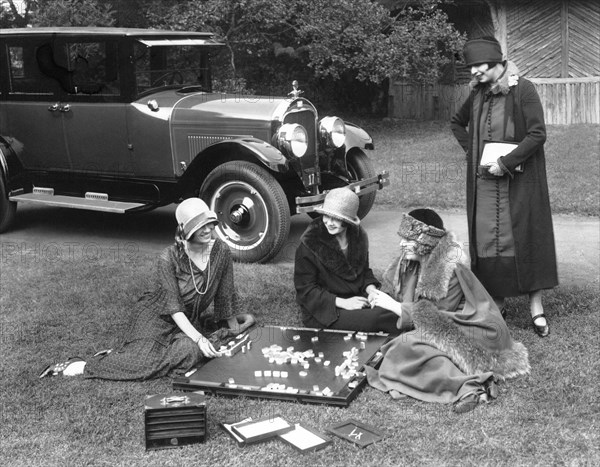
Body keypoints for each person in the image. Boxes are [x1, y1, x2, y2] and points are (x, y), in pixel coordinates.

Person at [39, 198, 254, 380]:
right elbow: (174, 309)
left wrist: (233, 332)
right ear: (186, 230)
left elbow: (225, 295)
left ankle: (125, 353)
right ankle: (81, 366)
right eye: (200, 226)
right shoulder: (168, 258)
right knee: (145, 362)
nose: (208, 229)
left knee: (190, 352)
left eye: (210, 223)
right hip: (156, 316)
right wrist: (200, 337)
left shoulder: (221, 251)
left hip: (186, 322)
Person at [366, 209, 531, 413]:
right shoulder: (409, 260)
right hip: (441, 324)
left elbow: (436, 317)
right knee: (398, 350)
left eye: (408, 240)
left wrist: (395, 307)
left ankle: (471, 387)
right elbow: (396, 292)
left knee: (403, 348)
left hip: (470, 329)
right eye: (403, 239)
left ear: (426, 243)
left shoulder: (447, 268)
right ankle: (465, 384)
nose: (402, 244)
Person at [450, 36, 558, 337]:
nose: (473, 72)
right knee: (488, 241)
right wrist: (472, 152)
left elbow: (537, 134)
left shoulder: (523, 89)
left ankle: (536, 306)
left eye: (477, 66)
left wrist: (506, 162)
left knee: (525, 238)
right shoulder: (478, 93)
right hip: (485, 184)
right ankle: (496, 301)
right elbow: (457, 123)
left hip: (520, 181)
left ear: (496, 62)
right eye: (470, 67)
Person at [294, 187, 404, 334]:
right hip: (325, 308)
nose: (329, 222)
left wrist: (371, 290)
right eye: (326, 216)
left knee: (392, 306)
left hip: (356, 297)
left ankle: (411, 329)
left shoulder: (358, 237)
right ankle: (410, 332)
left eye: (336, 218)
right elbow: (306, 290)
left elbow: (364, 272)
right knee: (377, 318)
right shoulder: (309, 243)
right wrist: (344, 303)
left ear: (348, 220)